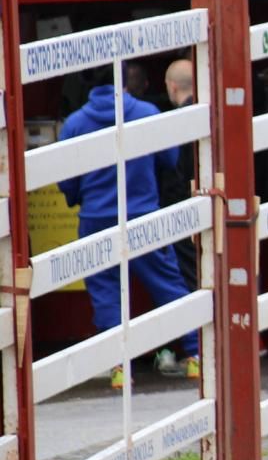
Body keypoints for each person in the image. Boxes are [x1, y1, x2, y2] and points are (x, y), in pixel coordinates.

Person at [61, 65, 203, 385]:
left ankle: (119, 368)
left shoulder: (75, 124)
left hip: (96, 219)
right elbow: (170, 160)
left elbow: (67, 181)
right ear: (125, 80)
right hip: (143, 214)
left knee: (105, 292)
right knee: (167, 284)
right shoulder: (148, 113)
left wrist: (79, 197)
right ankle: (196, 355)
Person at [160, 58, 199, 294]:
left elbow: (173, 171)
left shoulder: (172, 124)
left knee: (191, 277)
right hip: (211, 203)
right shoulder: (211, 115)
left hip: (182, 211)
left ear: (172, 87)